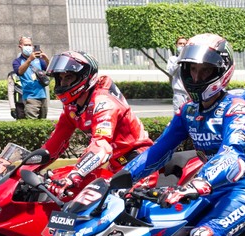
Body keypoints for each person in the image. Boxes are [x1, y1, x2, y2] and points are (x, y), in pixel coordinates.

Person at [122, 33, 245, 236]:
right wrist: (119, 179)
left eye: (205, 71)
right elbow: (157, 151)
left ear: (221, 72)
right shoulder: (188, 111)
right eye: (192, 70)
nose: (197, 77)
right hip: (207, 190)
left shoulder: (238, 110)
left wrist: (199, 182)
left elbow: (231, 155)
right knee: (163, 229)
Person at [42, 50, 158, 198]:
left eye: (69, 77)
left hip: (139, 165)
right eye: (61, 78)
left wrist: (74, 175)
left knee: (117, 211)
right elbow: (54, 144)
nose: (63, 83)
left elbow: (101, 147)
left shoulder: (104, 102)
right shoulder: (72, 106)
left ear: (84, 76)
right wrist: (23, 169)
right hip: (115, 167)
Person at [12, 36, 49, 119]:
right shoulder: (17, 61)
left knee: (43, 122)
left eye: (30, 45)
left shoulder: (39, 60)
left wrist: (46, 59)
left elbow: (49, 70)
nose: (28, 47)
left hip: (42, 96)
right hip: (30, 97)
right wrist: (29, 60)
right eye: (26, 45)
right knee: (33, 122)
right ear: (20, 46)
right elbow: (20, 72)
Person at [166, 36, 190, 113]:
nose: (182, 45)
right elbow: (171, 72)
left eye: (184, 44)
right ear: (176, 45)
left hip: (191, 93)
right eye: (180, 43)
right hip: (179, 93)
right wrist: (179, 58)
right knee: (178, 115)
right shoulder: (172, 59)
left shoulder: (191, 58)